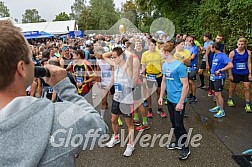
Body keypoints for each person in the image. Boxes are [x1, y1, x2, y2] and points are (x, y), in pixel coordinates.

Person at [0, 20, 107, 167]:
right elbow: (99, 129)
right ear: (22, 69)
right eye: (30, 59)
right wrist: (64, 87)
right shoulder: (59, 118)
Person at [158, 43, 190, 160]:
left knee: (179, 124)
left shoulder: (179, 66)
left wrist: (181, 102)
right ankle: (177, 142)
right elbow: (164, 81)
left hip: (178, 100)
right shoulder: (165, 65)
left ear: (167, 53)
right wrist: (161, 96)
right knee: (173, 122)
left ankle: (185, 148)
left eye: (161, 51)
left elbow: (186, 86)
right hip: (170, 99)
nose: (159, 53)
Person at [103, 47, 135, 157]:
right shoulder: (115, 66)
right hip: (116, 98)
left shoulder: (127, 66)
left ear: (121, 57)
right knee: (113, 120)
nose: (113, 58)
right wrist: (113, 51)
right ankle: (116, 137)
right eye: (113, 57)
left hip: (126, 100)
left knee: (129, 124)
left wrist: (123, 49)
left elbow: (130, 56)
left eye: (115, 57)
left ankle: (131, 144)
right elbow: (104, 56)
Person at [141, 39, 167, 118]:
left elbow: (162, 64)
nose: (152, 47)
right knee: (148, 93)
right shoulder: (145, 54)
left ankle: (160, 108)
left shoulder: (159, 53)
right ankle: (149, 109)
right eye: (151, 45)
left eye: (154, 45)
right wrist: (144, 76)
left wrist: (164, 75)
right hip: (149, 76)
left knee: (159, 92)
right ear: (148, 46)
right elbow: (143, 65)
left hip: (158, 75)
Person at [209, 42, 233, 118]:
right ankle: (218, 106)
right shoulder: (215, 55)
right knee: (215, 93)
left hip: (219, 77)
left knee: (218, 94)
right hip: (213, 77)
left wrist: (220, 70)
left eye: (211, 48)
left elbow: (230, 65)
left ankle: (222, 111)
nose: (210, 49)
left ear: (214, 48)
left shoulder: (223, 56)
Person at [227, 38, 252, 112]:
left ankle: (247, 104)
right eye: (239, 44)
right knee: (232, 87)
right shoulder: (232, 53)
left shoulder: (248, 52)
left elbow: (249, 63)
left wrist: (250, 73)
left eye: (242, 44)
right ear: (237, 44)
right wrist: (230, 74)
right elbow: (229, 64)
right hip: (235, 73)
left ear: (245, 45)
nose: (240, 46)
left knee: (247, 87)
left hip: (245, 73)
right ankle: (230, 99)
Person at [184, 36, 198, 104]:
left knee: (191, 81)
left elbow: (192, 57)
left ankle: (194, 96)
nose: (191, 42)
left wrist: (183, 57)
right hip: (187, 67)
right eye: (189, 41)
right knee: (187, 81)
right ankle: (190, 93)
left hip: (193, 66)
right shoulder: (185, 47)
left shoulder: (194, 48)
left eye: (192, 41)